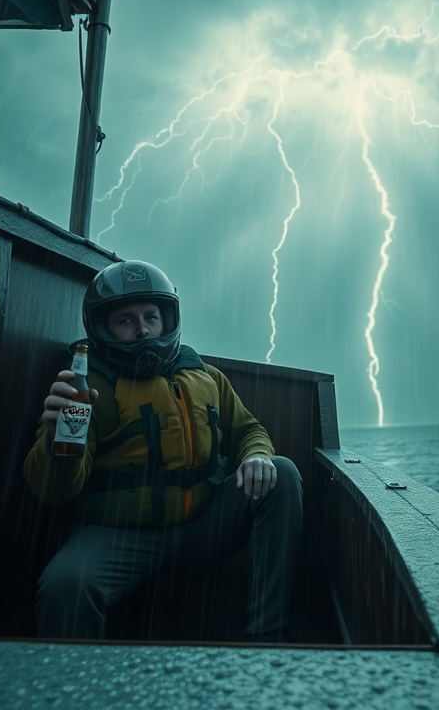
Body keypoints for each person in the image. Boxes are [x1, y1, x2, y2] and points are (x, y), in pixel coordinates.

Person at [23, 260, 302, 642]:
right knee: (64, 585)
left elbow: (248, 429)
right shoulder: (84, 390)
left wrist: (256, 455)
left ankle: (267, 640)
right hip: (120, 538)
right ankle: (79, 686)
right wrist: (56, 439)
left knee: (281, 472)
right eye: (126, 320)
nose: (142, 330)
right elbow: (54, 491)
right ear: (103, 327)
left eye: (151, 316)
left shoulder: (204, 375)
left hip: (202, 528)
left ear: (166, 320)